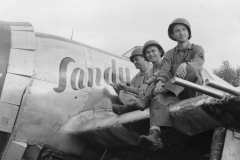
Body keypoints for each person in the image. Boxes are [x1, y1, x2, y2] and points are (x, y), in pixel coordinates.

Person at [139, 18, 205, 150]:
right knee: (158, 98)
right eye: (177, 31)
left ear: (188, 32)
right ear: (173, 35)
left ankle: (153, 94)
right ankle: (155, 135)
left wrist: (185, 64)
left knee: (190, 69)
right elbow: (164, 71)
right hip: (173, 93)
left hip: (192, 91)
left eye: (183, 30)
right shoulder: (169, 54)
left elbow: (198, 63)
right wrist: (159, 82)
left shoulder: (197, 49)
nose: (181, 33)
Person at [112, 46, 155, 114]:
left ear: (144, 58)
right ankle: (136, 106)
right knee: (122, 94)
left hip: (152, 99)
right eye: (133, 61)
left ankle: (138, 105)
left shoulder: (154, 70)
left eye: (136, 59)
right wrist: (122, 89)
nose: (134, 62)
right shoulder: (135, 78)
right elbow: (133, 94)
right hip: (139, 101)